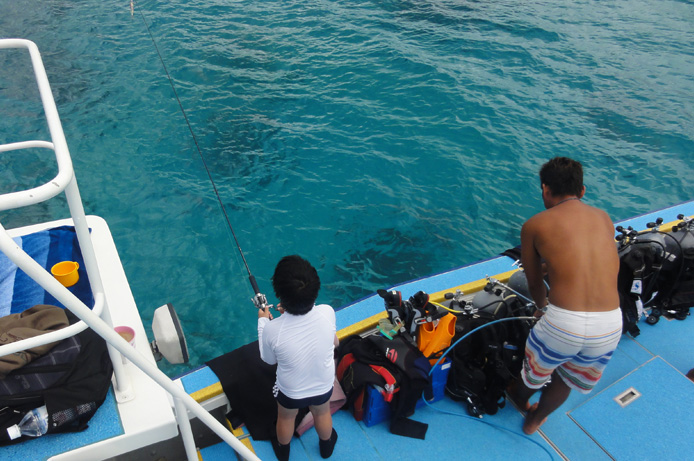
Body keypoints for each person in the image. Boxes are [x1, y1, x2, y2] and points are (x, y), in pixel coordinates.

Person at [508, 157, 623, 435]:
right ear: (582, 190)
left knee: (534, 374)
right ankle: (535, 421)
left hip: (564, 324)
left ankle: (519, 400)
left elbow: (534, 281)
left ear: (545, 190)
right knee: (567, 380)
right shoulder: (603, 217)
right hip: (610, 324)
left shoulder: (534, 225)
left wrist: (541, 307)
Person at [258, 255, 339, 460]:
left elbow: (268, 360)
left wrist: (262, 322)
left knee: (285, 418)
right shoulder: (327, 312)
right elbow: (332, 340)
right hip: (323, 386)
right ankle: (326, 447)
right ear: (315, 289)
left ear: (279, 294)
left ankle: (283, 452)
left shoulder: (272, 330)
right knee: (322, 413)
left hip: (291, 392)